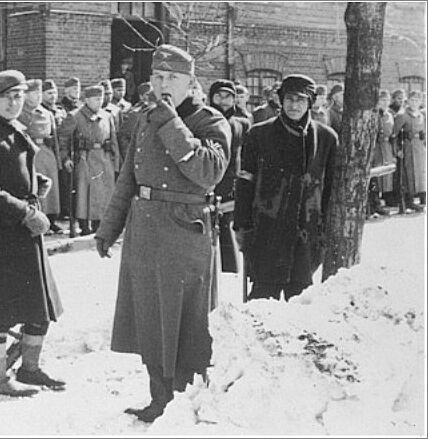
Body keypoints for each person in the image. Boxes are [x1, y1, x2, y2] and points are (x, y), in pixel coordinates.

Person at [94, 44, 231, 423]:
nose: (163, 84)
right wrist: (109, 227)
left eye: (172, 77)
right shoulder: (143, 118)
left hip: (186, 230)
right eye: (157, 77)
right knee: (150, 315)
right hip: (145, 229)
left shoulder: (210, 121)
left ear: (190, 82)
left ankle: (184, 399)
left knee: (186, 319)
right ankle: (158, 396)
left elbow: (208, 171)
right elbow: (128, 178)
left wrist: (171, 122)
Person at [0, 69, 65, 398]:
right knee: (0, 310)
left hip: (25, 233)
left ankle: (29, 368)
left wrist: (37, 184)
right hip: (2, 234)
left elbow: (14, 171)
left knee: (40, 304)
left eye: (18, 96)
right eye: (5, 97)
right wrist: (24, 212)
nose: (13, 102)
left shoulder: (14, 131)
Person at [233, 74, 337, 302]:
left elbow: (329, 188)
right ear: (280, 100)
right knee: (261, 303)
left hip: (305, 231)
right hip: (267, 229)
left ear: (310, 102)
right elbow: (245, 182)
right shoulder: (259, 134)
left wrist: (325, 229)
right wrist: (242, 225)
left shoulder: (326, 138)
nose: (294, 105)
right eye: (289, 99)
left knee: (300, 303)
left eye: (301, 99)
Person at [58, 85, 119, 236]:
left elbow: (113, 139)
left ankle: (99, 224)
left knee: (104, 193)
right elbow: (64, 140)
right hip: (85, 158)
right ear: (87, 100)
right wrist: (65, 158)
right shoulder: (75, 116)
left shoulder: (107, 116)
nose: (100, 102)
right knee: (84, 193)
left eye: (101, 98)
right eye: (96, 99)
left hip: (104, 158)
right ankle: (84, 225)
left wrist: (116, 161)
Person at [208, 79, 251, 274]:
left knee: (228, 230)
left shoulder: (241, 124)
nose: (223, 101)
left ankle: (229, 271)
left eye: (228, 96)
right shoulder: (203, 121)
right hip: (208, 182)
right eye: (219, 96)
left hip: (231, 185)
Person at [18, 79, 63, 234]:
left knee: (52, 189)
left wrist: (58, 160)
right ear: (25, 95)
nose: (37, 96)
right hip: (32, 154)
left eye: (38, 93)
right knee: (36, 187)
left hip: (47, 152)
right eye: (33, 93)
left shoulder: (48, 113)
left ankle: (52, 220)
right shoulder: (20, 113)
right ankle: (39, 218)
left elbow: (55, 138)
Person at [42, 79, 72, 224]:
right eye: (48, 93)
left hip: (60, 152)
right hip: (48, 151)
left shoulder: (60, 111)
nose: (52, 96)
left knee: (61, 185)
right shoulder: (41, 111)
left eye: (54, 93)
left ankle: (58, 215)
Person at [391, 89, 426, 211]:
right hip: (407, 148)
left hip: (419, 148)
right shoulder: (402, 115)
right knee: (407, 175)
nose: (415, 102)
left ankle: (416, 198)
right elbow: (394, 134)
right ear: (408, 101)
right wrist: (397, 150)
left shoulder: (421, 115)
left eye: (417, 100)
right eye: (412, 100)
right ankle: (408, 201)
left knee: (419, 174)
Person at [368, 90, 395, 216]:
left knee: (384, 176)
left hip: (386, 147)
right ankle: (374, 204)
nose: (385, 103)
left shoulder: (389, 115)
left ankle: (379, 203)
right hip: (375, 147)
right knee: (374, 177)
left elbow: (393, 134)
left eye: (387, 100)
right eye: (382, 100)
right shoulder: (373, 114)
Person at [118, 82, 153, 161]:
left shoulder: (162, 112)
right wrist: (130, 156)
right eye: (148, 94)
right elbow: (123, 136)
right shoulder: (135, 114)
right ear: (141, 97)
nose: (151, 96)